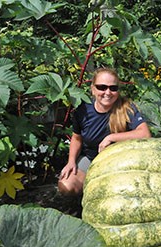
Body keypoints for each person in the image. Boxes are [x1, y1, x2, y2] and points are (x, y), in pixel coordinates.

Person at [58, 67, 151, 196]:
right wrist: (71, 161)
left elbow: (145, 134)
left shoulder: (127, 108)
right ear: (93, 89)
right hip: (92, 158)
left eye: (113, 88)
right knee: (67, 186)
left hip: (120, 162)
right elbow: (77, 138)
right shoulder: (83, 110)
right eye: (102, 87)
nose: (108, 92)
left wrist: (112, 137)